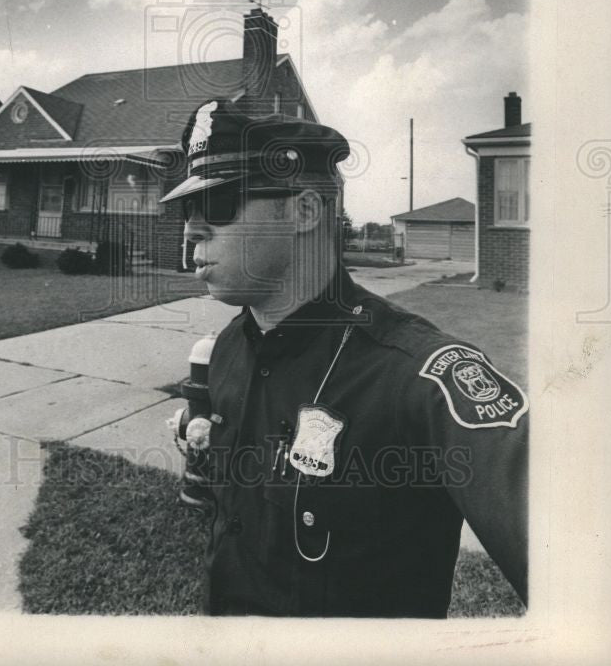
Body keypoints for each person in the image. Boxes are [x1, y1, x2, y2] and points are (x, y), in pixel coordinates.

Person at [161, 98, 529, 618]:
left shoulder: (418, 377)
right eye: (187, 209)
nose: (191, 230)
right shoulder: (226, 350)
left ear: (305, 211)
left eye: (219, 204)